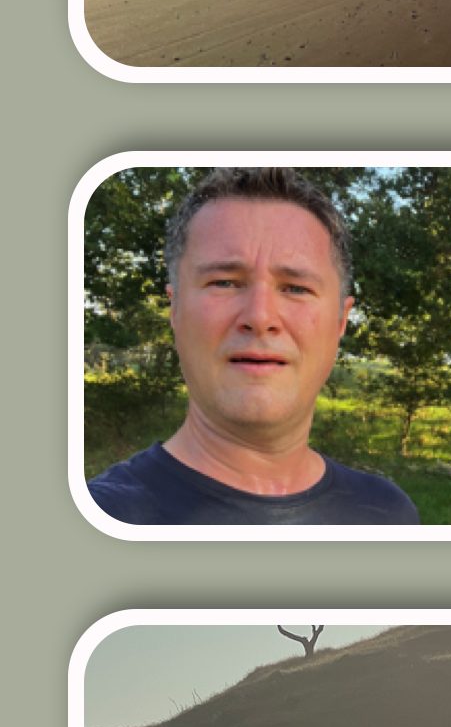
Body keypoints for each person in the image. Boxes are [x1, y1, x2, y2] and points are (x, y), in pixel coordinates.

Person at [88, 168, 420, 525]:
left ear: (341, 321)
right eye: (225, 282)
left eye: (295, 288)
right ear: (176, 309)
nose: (260, 317)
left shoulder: (387, 517)